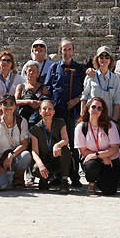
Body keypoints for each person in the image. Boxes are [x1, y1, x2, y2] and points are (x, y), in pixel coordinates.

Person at [45, 38, 86, 187]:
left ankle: (75, 176)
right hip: (57, 113)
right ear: (59, 51)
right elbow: (47, 89)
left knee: (74, 146)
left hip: (74, 113)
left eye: (69, 49)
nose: (67, 52)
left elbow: (87, 90)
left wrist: (77, 99)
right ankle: (57, 175)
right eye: (64, 49)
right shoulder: (54, 68)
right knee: (57, 144)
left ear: (73, 51)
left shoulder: (80, 69)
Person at [75, 97, 120, 195]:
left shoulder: (110, 125)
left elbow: (115, 148)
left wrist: (100, 155)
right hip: (92, 161)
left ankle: (101, 181)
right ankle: (91, 183)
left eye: (99, 108)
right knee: (92, 165)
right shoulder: (81, 127)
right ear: (88, 108)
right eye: (93, 107)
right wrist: (101, 157)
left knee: (109, 191)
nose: (96, 110)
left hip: (110, 161)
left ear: (102, 111)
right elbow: (83, 151)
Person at [0, 94, 31, 190]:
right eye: (5, 103)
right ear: (0, 106)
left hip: (12, 158)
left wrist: (11, 155)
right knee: (1, 186)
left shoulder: (22, 121)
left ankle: (17, 177)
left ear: (15, 106)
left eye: (11, 103)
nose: (8, 106)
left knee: (26, 155)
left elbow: (25, 144)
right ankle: (0, 179)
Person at [30, 97, 72, 193]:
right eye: (44, 109)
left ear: (53, 111)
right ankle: (44, 178)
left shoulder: (60, 123)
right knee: (36, 168)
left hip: (57, 158)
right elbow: (34, 151)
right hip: (45, 160)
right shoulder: (35, 129)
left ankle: (64, 180)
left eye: (50, 109)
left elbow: (65, 140)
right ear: (40, 111)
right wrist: (40, 165)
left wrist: (57, 145)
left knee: (65, 150)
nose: (47, 111)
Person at [0, 50, 25, 127]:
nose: (5, 62)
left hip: (10, 111)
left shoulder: (18, 78)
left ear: (12, 64)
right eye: (3, 60)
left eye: (8, 60)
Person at [80, 46, 120, 120]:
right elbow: (84, 97)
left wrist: (114, 121)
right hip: (91, 118)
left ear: (110, 60)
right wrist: (82, 117)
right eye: (101, 57)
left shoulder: (115, 79)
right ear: (97, 59)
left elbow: (116, 101)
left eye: (107, 57)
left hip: (107, 118)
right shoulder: (90, 76)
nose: (104, 59)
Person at [15, 60, 50, 126]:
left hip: (40, 121)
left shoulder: (43, 88)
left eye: (34, 71)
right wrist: (28, 102)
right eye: (29, 70)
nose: (31, 73)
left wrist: (40, 103)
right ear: (25, 73)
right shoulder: (21, 87)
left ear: (38, 74)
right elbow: (15, 102)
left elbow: (48, 102)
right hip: (23, 120)